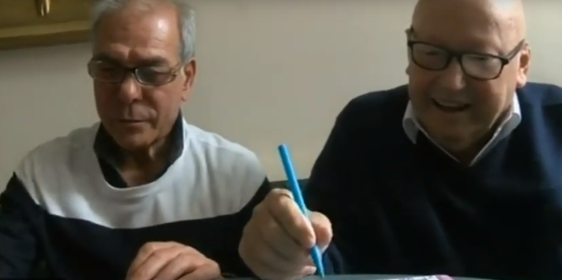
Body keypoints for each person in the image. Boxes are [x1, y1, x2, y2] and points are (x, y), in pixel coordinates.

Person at [239, 0, 562, 280]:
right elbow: (328, 261)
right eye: (431, 53)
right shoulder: (363, 126)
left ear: (521, 65)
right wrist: (289, 253)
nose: (451, 83)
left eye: (481, 59)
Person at [0, 0, 269, 279]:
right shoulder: (41, 179)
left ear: (186, 79)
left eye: (152, 72)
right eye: (109, 69)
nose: (128, 93)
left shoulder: (237, 178)